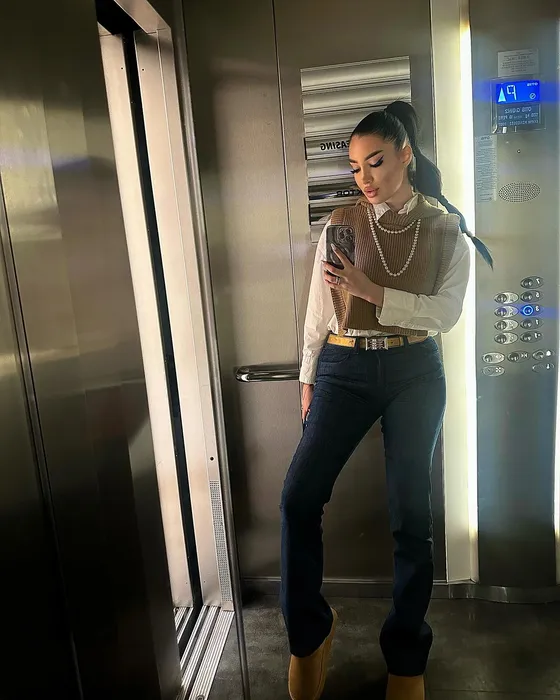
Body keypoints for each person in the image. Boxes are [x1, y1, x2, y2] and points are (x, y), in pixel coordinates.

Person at [280, 101, 492, 700]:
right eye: (355, 167)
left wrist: (374, 291)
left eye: (375, 161)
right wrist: (307, 375)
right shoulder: (340, 224)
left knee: (410, 517)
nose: (365, 178)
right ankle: (309, 637)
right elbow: (318, 310)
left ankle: (406, 655)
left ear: (405, 155)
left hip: (413, 370)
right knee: (298, 498)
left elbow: (445, 315)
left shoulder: (446, 228)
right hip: (343, 366)